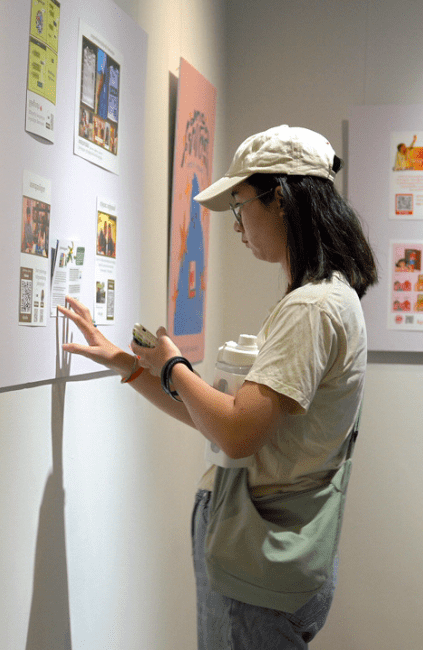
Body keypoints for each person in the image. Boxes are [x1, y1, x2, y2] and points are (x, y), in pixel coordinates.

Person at [58, 125, 378, 649]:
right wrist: (130, 365)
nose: (236, 225)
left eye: (239, 204)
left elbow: (236, 434)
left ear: (281, 201)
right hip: (273, 555)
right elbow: (227, 416)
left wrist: (173, 367)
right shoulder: (331, 297)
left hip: (259, 562)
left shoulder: (312, 307)